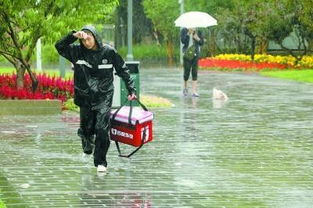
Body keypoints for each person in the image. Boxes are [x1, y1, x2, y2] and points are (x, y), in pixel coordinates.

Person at [55, 25, 136, 172]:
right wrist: (73, 36)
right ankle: (87, 142)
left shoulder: (109, 52)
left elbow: (122, 69)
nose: (86, 42)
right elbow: (59, 46)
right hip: (84, 95)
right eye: (84, 39)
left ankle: (100, 162)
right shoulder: (76, 52)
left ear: (95, 36)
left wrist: (131, 88)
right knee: (87, 129)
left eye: (89, 38)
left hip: (103, 96)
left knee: (102, 128)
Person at [181, 27, 204, 97]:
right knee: (186, 72)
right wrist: (188, 33)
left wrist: (197, 38)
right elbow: (183, 41)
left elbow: (202, 43)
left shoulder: (198, 31)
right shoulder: (184, 30)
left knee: (194, 72)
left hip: (195, 54)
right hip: (187, 54)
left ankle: (194, 91)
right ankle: (185, 88)